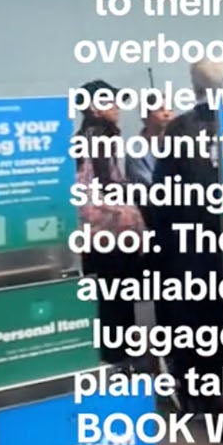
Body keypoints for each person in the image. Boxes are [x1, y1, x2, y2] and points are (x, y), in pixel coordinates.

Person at [144, 57, 223, 410]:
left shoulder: (180, 129)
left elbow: (162, 194)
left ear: (194, 88)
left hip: (192, 248)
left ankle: (201, 400)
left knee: (196, 325)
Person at [71, 80, 145, 364]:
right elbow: (108, 183)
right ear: (93, 107)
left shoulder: (85, 136)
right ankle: (122, 361)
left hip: (96, 237)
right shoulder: (99, 135)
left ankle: (113, 358)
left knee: (107, 300)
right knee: (118, 301)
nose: (116, 106)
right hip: (112, 234)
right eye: (109, 101)